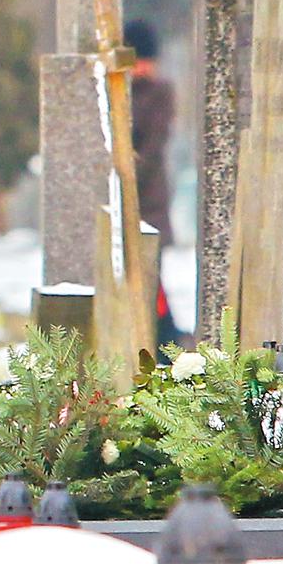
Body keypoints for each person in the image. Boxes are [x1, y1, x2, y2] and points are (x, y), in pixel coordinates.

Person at [125, 19, 182, 349]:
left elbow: (153, 144)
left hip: (149, 203)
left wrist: (130, 169)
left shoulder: (160, 93)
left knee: (151, 281)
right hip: (125, 202)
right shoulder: (119, 92)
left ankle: (165, 343)